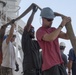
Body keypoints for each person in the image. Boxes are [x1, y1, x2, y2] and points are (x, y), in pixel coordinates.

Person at [36, 7, 71, 75]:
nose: (51, 22)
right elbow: (50, 38)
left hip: (60, 64)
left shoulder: (54, 30)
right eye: (49, 20)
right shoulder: (40, 31)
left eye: (52, 19)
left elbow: (67, 36)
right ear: (43, 19)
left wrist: (68, 25)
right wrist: (61, 25)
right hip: (50, 66)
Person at [21, 5, 41, 75]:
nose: (33, 31)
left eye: (33, 30)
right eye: (31, 30)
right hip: (29, 70)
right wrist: (33, 13)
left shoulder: (35, 43)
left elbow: (45, 42)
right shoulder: (26, 40)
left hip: (37, 71)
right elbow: (28, 25)